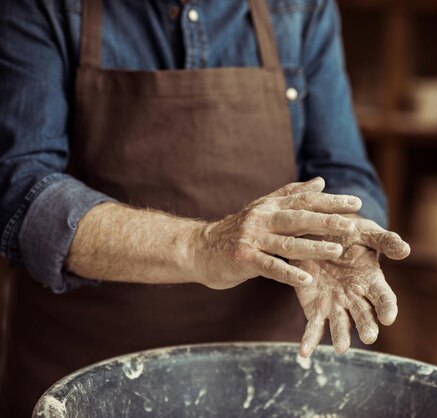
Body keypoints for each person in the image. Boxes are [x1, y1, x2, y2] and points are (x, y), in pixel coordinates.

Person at [0, 0, 410, 415]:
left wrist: (337, 231)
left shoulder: (300, 8)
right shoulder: (43, 8)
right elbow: (21, 189)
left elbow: (341, 166)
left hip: (272, 368)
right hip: (89, 372)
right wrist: (205, 245)